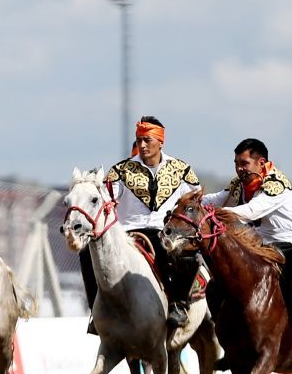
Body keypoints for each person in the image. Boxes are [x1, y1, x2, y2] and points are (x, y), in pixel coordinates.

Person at [203, 138, 292, 349]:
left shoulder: (277, 184)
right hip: (262, 246)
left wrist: (215, 215)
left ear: (261, 163)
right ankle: (227, 338)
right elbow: (216, 199)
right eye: (236, 164)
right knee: (215, 285)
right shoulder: (239, 185)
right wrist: (191, 204)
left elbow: (251, 211)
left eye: (244, 163)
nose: (239, 169)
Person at [79, 116, 203, 332]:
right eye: (138, 140)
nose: (142, 145)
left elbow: (195, 202)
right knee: (86, 254)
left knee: (191, 256)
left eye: (147, 140)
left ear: (160, 141)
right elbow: (107, 201)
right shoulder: (120, 171)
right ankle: (96, 312)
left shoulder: (182, 171)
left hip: (165, 232)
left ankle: (179, 305)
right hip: (128, 234)